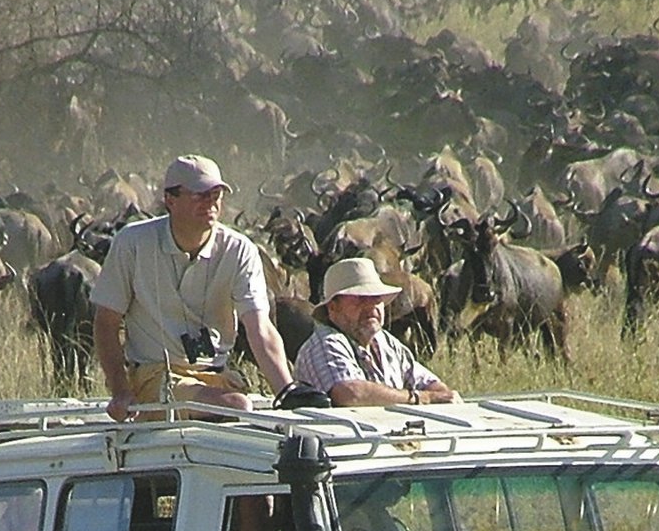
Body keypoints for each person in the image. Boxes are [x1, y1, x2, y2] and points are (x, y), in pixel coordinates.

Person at [93, 153, 320, 421]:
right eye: (200, 195)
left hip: (216, 377)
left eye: (216, 195)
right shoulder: (132, 243)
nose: (210, 203)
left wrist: (287, 390)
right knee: (235, 405)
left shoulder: (239, 249)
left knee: (259, 406)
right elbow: (106, 323)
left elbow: (259, 328)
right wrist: (121, 391)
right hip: (156, 376)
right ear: (170, 199)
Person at [294, 257, 459, 407]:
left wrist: (441, 395)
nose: (371, 307)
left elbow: (430, 384)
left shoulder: (385, 342)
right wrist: (420, 398)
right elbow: (350, 393)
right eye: (359, 299)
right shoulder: (325, 343)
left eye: (377, 299)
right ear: (333, 308)